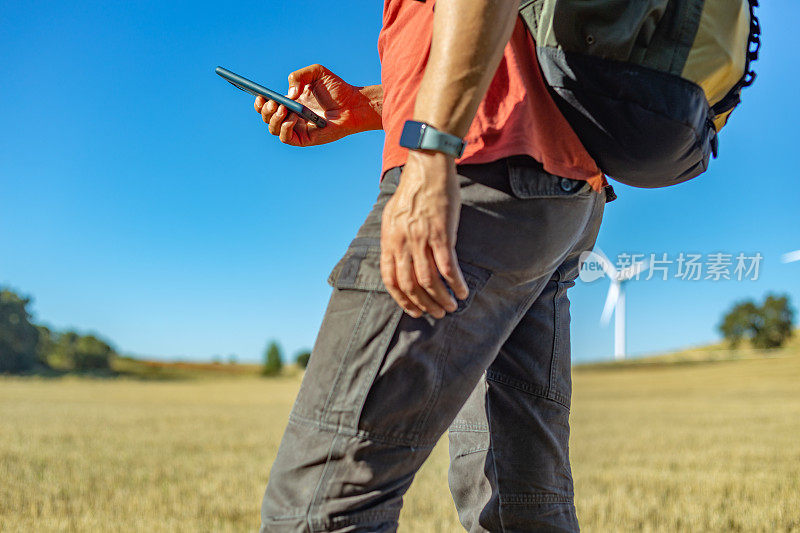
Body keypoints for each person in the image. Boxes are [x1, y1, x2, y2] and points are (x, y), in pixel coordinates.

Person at [254, 0, 613, 531]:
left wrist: (430, 152)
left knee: (317, 506)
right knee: (521, 508)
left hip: (479, 177)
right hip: (562, 193)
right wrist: (366, 104)